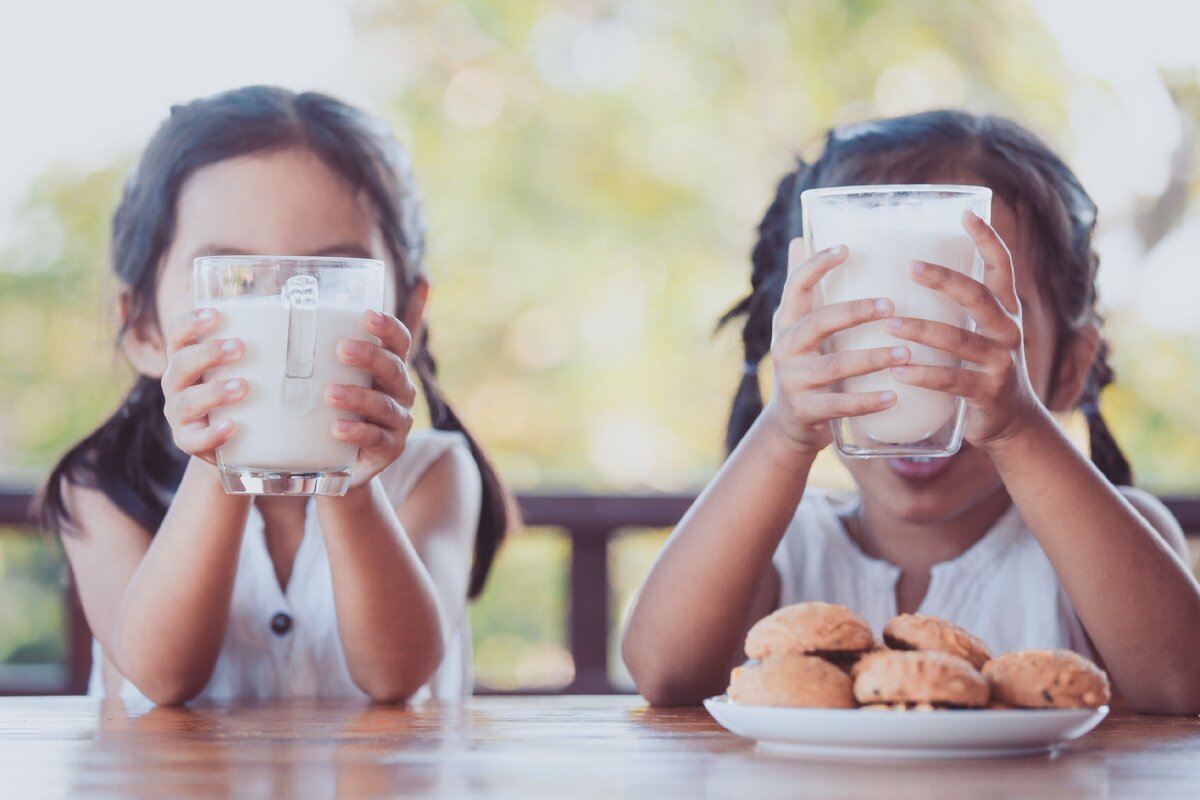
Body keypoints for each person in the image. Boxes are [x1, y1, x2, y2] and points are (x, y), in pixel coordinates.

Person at [622, 110, 1200, 714]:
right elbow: (665, 675)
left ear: (1069, 369)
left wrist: (1018, 427)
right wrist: (783, 435)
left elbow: (1179, 681)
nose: (912, 367)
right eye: (862, 320)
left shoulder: (1116, 539)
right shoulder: (782, 550)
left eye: (978, 322)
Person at [39, 86, 513, 705]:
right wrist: (221, 461)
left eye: (329, 275)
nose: (289, 312)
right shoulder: (103, 487)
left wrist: (347, 479)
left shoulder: (434, 473)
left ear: (406, 313)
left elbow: (396, 675)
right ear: (145, 328)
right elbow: (162, 677)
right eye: (234, 278)